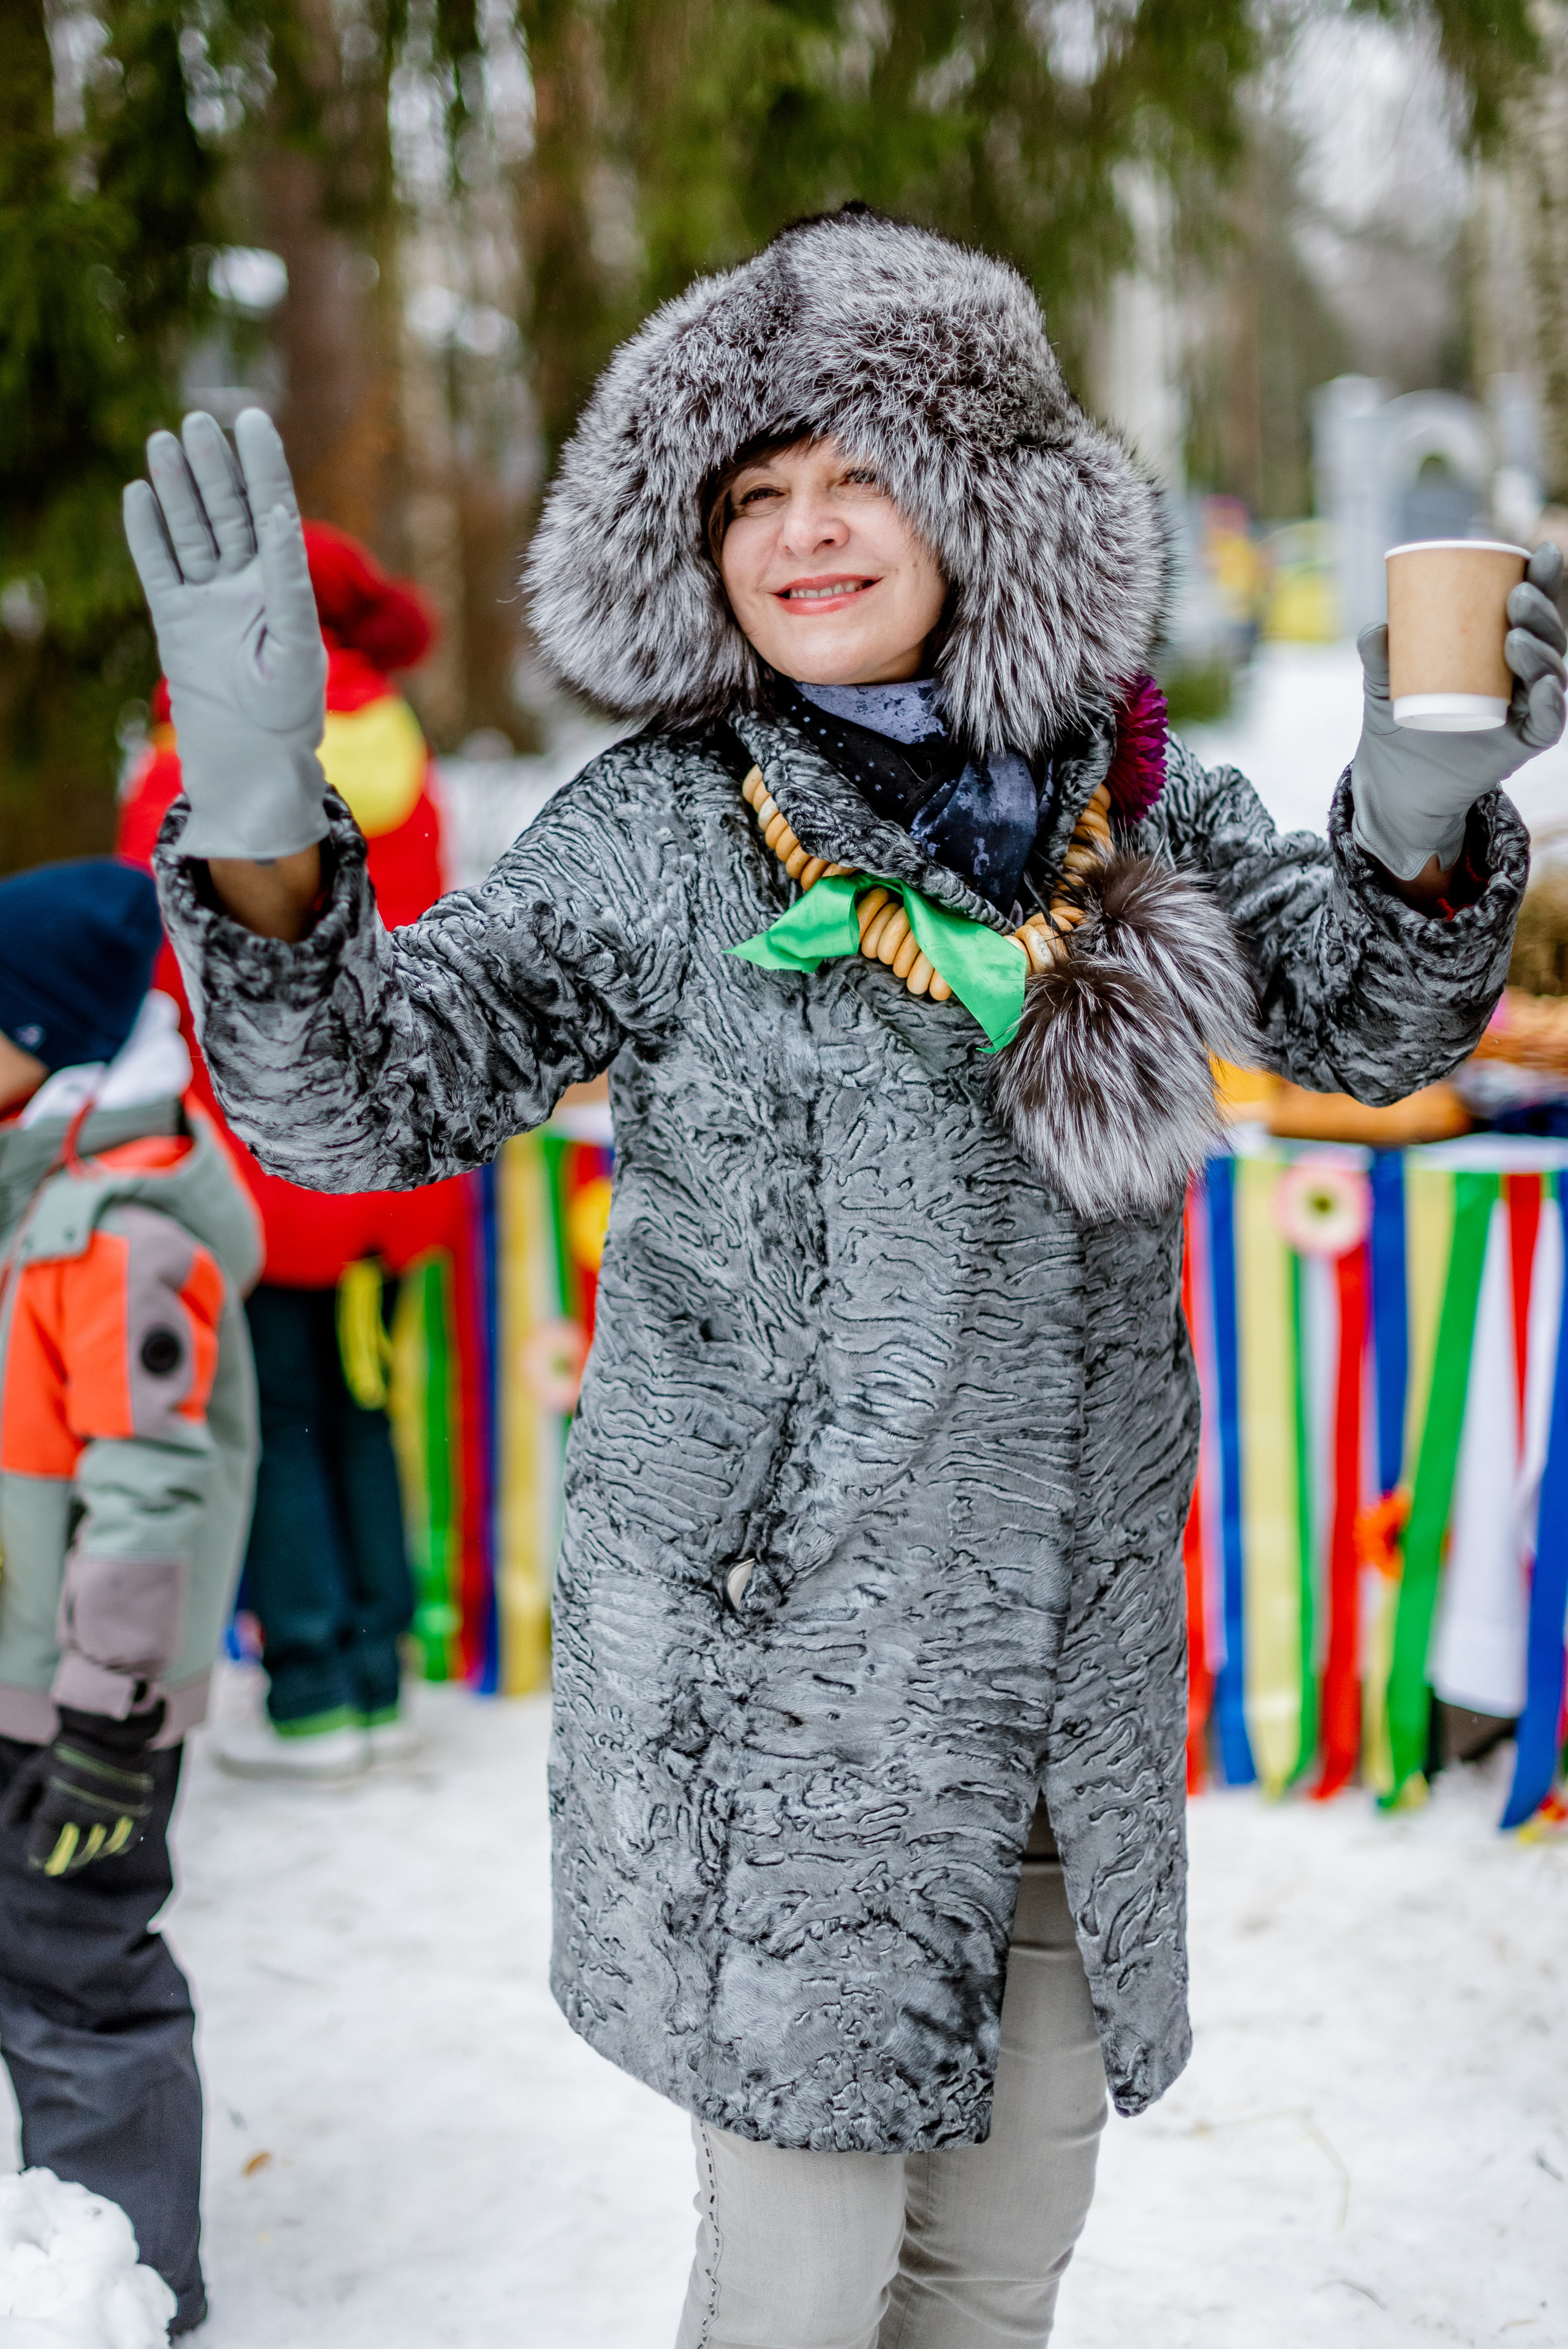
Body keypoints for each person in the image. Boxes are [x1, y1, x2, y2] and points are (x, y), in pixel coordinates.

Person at [123, 208, 1563, 2348]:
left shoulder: (1132, 803)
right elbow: (366, 1100)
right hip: (770, 1721)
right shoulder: (666, 828)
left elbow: (1358, 1019)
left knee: (995, 2281)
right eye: (748, 496)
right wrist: (263, 827)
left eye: (852, 473)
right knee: (796, 2298)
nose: (799, 533)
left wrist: (1419, 822)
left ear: (977, 493)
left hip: (1068, 1710)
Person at [118, 523, 461, 1780]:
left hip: (255, 1156)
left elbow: (160, 963)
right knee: (359, 1408)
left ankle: (310, 1686)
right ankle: (375, 1666)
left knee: (272, 1420)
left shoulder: (200, 762)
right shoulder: (402, 760)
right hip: (383, 1154)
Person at [0, 857, 262, 2337]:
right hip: (22, 1670)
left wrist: (107, 1716)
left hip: (82, 1699)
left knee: (79, 1975)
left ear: (48, 1032)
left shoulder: (121, 1226)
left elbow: (149, 1491)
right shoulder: (40, 1180)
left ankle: (124, 2285)